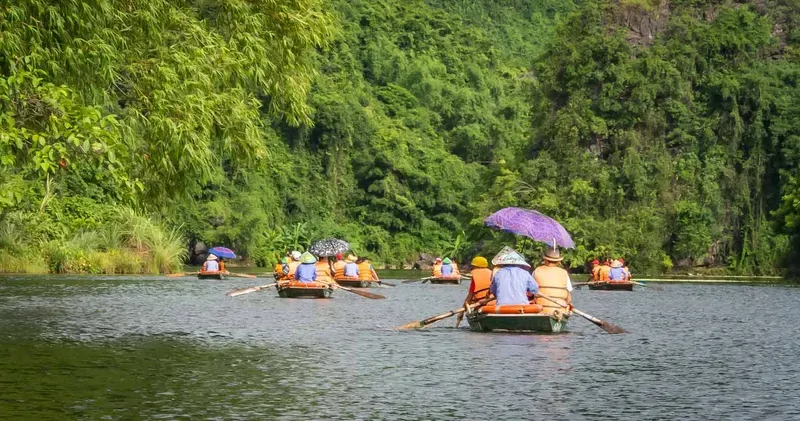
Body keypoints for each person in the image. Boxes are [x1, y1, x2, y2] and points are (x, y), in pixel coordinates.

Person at [533, 248, 573, 315]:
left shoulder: (536, 271)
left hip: (540, 310)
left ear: (545, 260)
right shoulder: (564, 273)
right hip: (560, 311)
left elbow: (530, 292)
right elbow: (569, 299)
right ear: (558, 261)